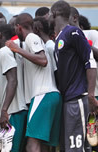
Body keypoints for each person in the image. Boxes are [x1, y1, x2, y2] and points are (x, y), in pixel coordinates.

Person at [6, 13, 62, 152]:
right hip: (51, 96)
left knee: (32, 143)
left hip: (42, 95)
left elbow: (42, 60)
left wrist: (16, 49)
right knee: (44, 145)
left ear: (19, 27)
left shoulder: (31, 37)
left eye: (15, 28)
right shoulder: (35, 41)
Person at [49, 1, 98, 151]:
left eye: (49, 14)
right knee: (71, 148)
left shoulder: (73, 32)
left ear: (55, 14)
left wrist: (90, 95)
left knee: (78, 149)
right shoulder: (58, 39)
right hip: (68, 100)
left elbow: (90, 61)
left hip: (78, 98)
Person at [0, 23, 28, 152]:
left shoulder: (4, 51)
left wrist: (4, 110)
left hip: (13, 110)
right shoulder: (13, 50)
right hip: (18, 109)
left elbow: (12, 81)